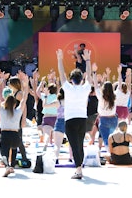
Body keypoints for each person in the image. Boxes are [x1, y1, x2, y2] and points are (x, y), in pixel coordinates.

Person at [56, 47, 92, 179]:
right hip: (82, 119)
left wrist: (60, 59)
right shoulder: (86, 87)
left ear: (72, 80)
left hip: (70, 120)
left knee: (74, 144)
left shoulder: (68, 88)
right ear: (81, 79)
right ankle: (79, 167)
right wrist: (88, 60)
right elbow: (88, 75)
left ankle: (79, 169)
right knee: (79, 144)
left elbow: (61, 75)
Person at [0, 71, 29, 177]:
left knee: (4, 151)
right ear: (15, 104)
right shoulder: (18, 111)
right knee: (14, 148)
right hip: (15, 136)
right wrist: (26, 84)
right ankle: (12, 165)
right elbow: (24, 99)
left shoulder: (2, 110)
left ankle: (7, 165)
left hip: (5, 135)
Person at [93, 63, 118, 153]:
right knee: (111, 139)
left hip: (103, 120)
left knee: (107, 142)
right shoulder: (115, 96)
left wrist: (94, 72)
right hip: (114, 120)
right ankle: (114, 153)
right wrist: (110, 75)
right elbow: (112, 86)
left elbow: (96, 85)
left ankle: (112, 154)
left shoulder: (100, 96)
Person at [36, 78, 58, 151]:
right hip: (55, 118)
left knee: (47, 134)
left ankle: (45, 145)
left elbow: (37, 92)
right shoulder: (57, 97)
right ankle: (55, 147)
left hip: (47, 117)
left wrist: (41, 83)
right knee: (55, 135)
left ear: (48, 90)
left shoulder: (45, 96)